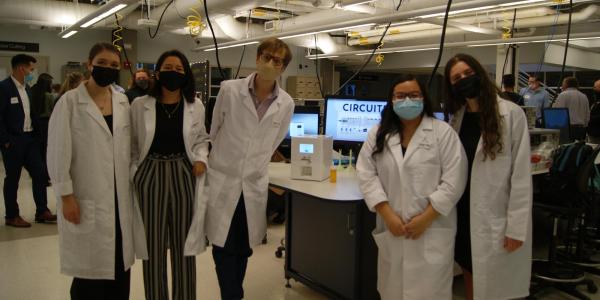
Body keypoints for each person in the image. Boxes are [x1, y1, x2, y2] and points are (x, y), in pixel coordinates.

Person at [47, 42, 147, 300]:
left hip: (120, 198)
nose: (108, 69)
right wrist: (66, 196)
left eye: (114, 65)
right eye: (102, 63)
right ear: (89, 64)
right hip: (85, 196)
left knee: (118, 266)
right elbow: (57, 153)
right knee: (89, 274)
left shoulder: (123, 101)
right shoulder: (69, 102)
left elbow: (132, 148)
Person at [356, 75, 467, 299]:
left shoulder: (443, 132)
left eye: (414, 95)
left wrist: (426, 218)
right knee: (393, 291)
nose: (408, 100)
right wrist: (387, 214)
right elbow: (366, 174)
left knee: (430, 292)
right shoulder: (378, 133)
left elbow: (454, 180)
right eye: (400, 96)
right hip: (392, 226)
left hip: (432, 229)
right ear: (392, 100)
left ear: (424, 99)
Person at [205, 37, 294, 300]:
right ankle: (232, 295)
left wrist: (253, 161)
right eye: (266, 56)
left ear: (283, 67)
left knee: (243, 246)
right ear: (257, 58)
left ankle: (234, 294)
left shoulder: (286, 103)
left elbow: (276, 139)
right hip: (224, 176)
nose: (270, 63)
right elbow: (215, 129)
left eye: (277, 60)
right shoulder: (230, 90)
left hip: (253, 182)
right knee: (222, 243)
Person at [444, 53, 533, 300]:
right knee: (470, 269)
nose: (463, 80)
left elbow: (521, 177)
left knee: (496, 285)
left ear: (479, 74)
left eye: (467, 74)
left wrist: (516, 228)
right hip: (463, 212)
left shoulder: (511, 114)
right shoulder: (457, 117)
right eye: (456, 78)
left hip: (494, 214)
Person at [131, 49, 209, 300]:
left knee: (184, 246)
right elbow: (132, 143)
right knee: (152, 246)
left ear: (185, 75)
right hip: (150, 174)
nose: (172, 73)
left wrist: (201, 159)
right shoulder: (139, 104)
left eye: (178, 69)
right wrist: (135, 172)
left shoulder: (195, 106)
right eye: (168, 68)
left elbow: (201, 140)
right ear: (158, 72)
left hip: (183, 174)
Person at [0, 53, 56, 227]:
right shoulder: (4, 88)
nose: (33, 73)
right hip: (13, 141)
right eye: (31, 69)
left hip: (30, 139)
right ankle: (11, 215)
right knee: (13, 178)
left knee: (39, 174)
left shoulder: (28, 89)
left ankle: (42, 211)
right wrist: (6, 141)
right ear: (21, 68)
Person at [30, 73, 55, 183]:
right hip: (46, 124)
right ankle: (46, 176)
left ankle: (38, 175)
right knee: (46, 152)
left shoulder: (32, 91)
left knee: (38, 152)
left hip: (35, 124)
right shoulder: (49, 96)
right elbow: (53, 111)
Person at [553, 76, 590, 141]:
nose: (562, 85)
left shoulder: (563, 95)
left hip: (567, 129)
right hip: (581, 129)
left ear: (566, 84)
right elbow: (587, 114)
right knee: (577, 150)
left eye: (563, 83)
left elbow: (558, 112)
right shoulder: (584, 96)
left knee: (566, 149)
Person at [589, 79, 600, 143]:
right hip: (593, 133)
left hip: (597, 134)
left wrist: (589, 118)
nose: (593, 89)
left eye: (595, 87)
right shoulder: (595, 101)